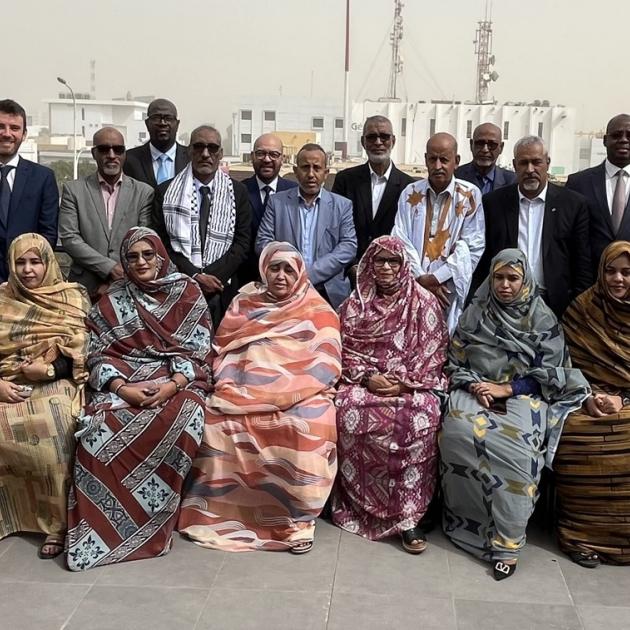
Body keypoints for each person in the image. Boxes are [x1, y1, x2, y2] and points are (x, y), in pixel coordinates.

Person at [178, 241, 341, 553]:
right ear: (264, 270)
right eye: (274, 268)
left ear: (300, 274)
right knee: (215, 421)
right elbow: (222, 350)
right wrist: (235, 386)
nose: (280, 276)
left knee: (308, 423)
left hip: (300, 394)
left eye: (288, 270)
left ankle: (296, 522)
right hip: (243, 390)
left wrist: (283, 393)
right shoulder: (245, 300)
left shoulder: (318, 309)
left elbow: (327, 365)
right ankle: (219, 515)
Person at [65, 227, 213, 571]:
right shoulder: (113, 297)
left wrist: (172, 385)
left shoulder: (186, 291)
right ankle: (100, 534)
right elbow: (96, 353)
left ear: (161, 256)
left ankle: (153, 524)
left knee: (187, 415)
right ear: (124, 261)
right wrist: (121, 388)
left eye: (148, 254)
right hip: (124, 382)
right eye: (132, 256)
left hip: (175, 381)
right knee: (97, 428)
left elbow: (200, 350)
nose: (141, 262)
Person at [441, 249, 589, 580]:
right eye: (498, 277)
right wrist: (476, 384)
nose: (505, 285)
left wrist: (508, 389)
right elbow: (455, 361)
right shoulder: (475, 312)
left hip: (526, 394)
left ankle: (507, 541)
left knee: (517, 448)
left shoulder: (542, 318)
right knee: (458, 432)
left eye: (513, 278)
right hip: (473, 390)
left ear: (525, 281)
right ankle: (467, 526)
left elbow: (553, 371)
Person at [331, 236, 448, 553]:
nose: (385, 267)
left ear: (403, 264)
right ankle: (359, 508)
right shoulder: (355, 305)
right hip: (364, 381)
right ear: (369, 263)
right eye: (379, 260)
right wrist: (368, 377)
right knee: (348, 410)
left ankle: (409, 516)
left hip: (410, 384)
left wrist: (402, 383)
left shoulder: (423, 302)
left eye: (392, 261)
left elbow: (433, 355)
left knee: (419, 417)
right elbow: (341, 351)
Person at [0, 233, 89, 559]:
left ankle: (56, 525)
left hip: (55, 382)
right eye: (20, 262)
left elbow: (83, 348)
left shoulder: (71, 297)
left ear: (48, 263)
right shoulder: (2, 299)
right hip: (6, 382)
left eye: (35, 261)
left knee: (52, 429)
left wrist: (49, 371)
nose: (27, 270)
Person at [556, 241, 630, 567]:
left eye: (627, 273)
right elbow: (563, 365)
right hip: (584, 397)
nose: (618, 279)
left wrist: (622, 398)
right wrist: (587, 397)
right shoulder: (583, 309)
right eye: (611, 271)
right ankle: (580, 537)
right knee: (574, 436)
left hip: (626, 398)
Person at [471, 135, 592, 318]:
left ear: (547, 163)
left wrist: (576, 311)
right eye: (523, 163)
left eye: (536, 162)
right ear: (514, 164)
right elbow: (483, 259)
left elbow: (582, 264)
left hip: (556, 307)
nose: (530, 169)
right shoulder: (493, 204)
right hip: (504, 305)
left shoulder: (573, 205)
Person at [152, 125, 251, 327]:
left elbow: (242, 242)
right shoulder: (166, 192)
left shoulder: (238, 192)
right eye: (199, 147)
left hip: (223, 287)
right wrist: (195, 276)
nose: (205, 154)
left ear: (220, 154)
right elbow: (162, 242)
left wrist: (213, 278)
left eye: (212, 148)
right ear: (189, 151)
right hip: (178, 285)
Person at [392, 132, 484, 332]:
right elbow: (400, 240)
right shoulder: (410, 193)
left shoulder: (469, 195)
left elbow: (472, 246)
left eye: (444, 159)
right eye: (432, 159)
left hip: (447, 290)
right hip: (412, 285)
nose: (438, 166)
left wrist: (436, 279)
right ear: (425, 160)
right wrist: (421, 279)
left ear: (456, 161)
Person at [256, 143, 357, 309]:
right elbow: (263, 242)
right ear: (296, 172)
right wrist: (289, 271)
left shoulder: (342, 205)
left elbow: (348, 246)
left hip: (327, 291)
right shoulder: (277, 202)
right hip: (283, 290)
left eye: (316, 168)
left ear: (326, 173)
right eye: (305, 167)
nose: (311, 174)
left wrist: (309, 275)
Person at [59, 126, 154, 299]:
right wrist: (109, 268)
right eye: (104, 149)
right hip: (84, 288)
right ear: (94, 153)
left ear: (125, 154)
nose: (111, 155)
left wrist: (116, 280)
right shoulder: (74, 190)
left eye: (118, 150)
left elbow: (143, 240)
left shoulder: (143, 193)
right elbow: (70, 238)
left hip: (130, 285)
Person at [332, 116, 414, 267]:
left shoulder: (409, 187)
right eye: (372, 137)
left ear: (393, 141)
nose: (378, 142)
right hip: (351, 270)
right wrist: (351, 266)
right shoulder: (345, 180)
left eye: (384, 137)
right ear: (363, 142)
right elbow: (335, 229)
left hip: (391, 273)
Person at [0, 99, 58, 282]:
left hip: (26, 282)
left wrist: (28, 269)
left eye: (14, 128)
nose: (7, 134)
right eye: (1, 126)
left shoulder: (42, 178)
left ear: (24, 134)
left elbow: (48, 234)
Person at [565, 114, 630, 273]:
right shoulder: (578, 183)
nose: (623, 140)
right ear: (605, 140)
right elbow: (567, 236)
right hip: (589, 285)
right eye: (616, 135)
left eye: (629, 135)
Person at [239, 133, 297, 285]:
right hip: (245, 279)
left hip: (285, 281)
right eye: (261, 153)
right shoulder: (238, 191)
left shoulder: (295, 192)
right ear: (252, 156)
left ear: (282, 159)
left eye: (273, 154)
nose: (266, 159)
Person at [123, 98, 189, 188]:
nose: (162, 123)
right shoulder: (129, 159)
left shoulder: (191, 158)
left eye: (168, 118)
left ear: (177, 124)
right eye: (156, 118)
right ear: (147, 123)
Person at [455, 122, 516, 194]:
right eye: (480, 143)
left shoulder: (513, 182)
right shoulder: (455, 177)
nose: (485, 150)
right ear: (471, 145)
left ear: (501, 148)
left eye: (492, 144)